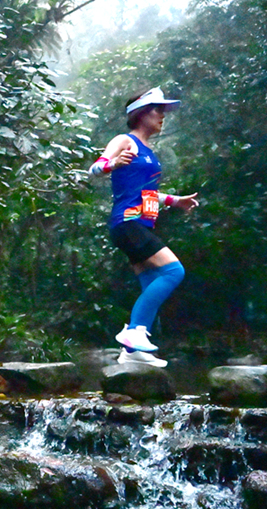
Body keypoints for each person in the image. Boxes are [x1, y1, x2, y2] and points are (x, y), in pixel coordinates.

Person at [89, 87, 199, 367]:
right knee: (173, 271)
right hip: (127, 223)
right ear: (140, 113)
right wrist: (112, 164)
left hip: (141, 225)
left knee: (151, 282)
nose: (163, 116)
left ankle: (132, 353)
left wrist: (175, 200)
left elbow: (146, 193)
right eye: (157, 110)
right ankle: (134, 333)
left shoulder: (148, 151)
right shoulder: (124, 141)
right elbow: (95, 169)